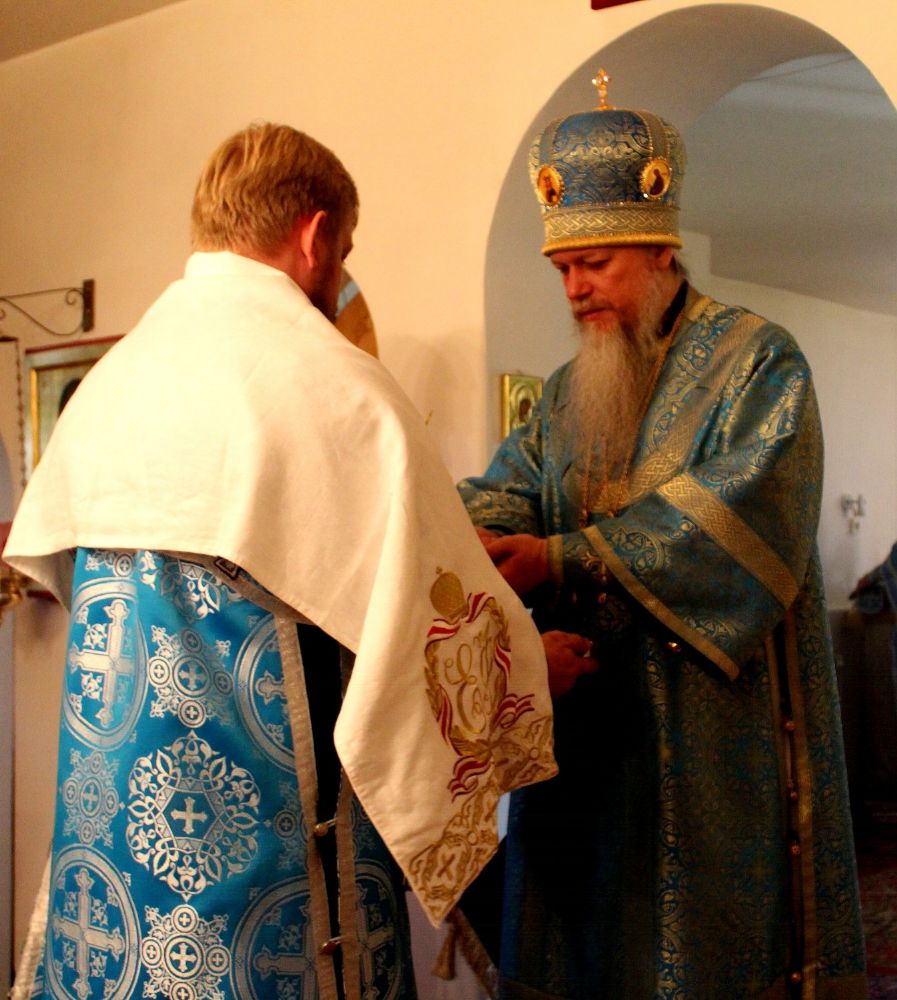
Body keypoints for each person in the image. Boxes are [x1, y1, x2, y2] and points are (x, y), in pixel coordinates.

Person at [4, 123, 596, 1000]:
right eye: (344, 252)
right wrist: (531, 672)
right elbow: (423, 627)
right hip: (269, 878)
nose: (339, 273)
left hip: (117, 865)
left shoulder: (111, 383)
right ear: (315, 236)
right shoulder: (338, 387)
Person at [457, 76, 867, 998]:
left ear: (657, 248)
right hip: (581, 736)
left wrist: (562, 557)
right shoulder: (563, 393)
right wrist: (468, 531)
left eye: (595, 263)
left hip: (705, 739)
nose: (575, 288)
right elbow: (512, 489)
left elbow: (742, 517)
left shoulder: (756, 361)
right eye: (562, 270)